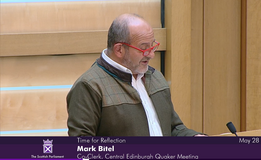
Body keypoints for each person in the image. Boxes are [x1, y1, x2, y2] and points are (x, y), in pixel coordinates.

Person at [67, 13, 205, 136]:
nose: (151, 55)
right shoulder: (89, 86)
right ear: (119, 49)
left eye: (153, 46)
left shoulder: (155, 76)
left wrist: (194, 138)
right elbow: (81, 148)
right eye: (144, 48)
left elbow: (173, 128)